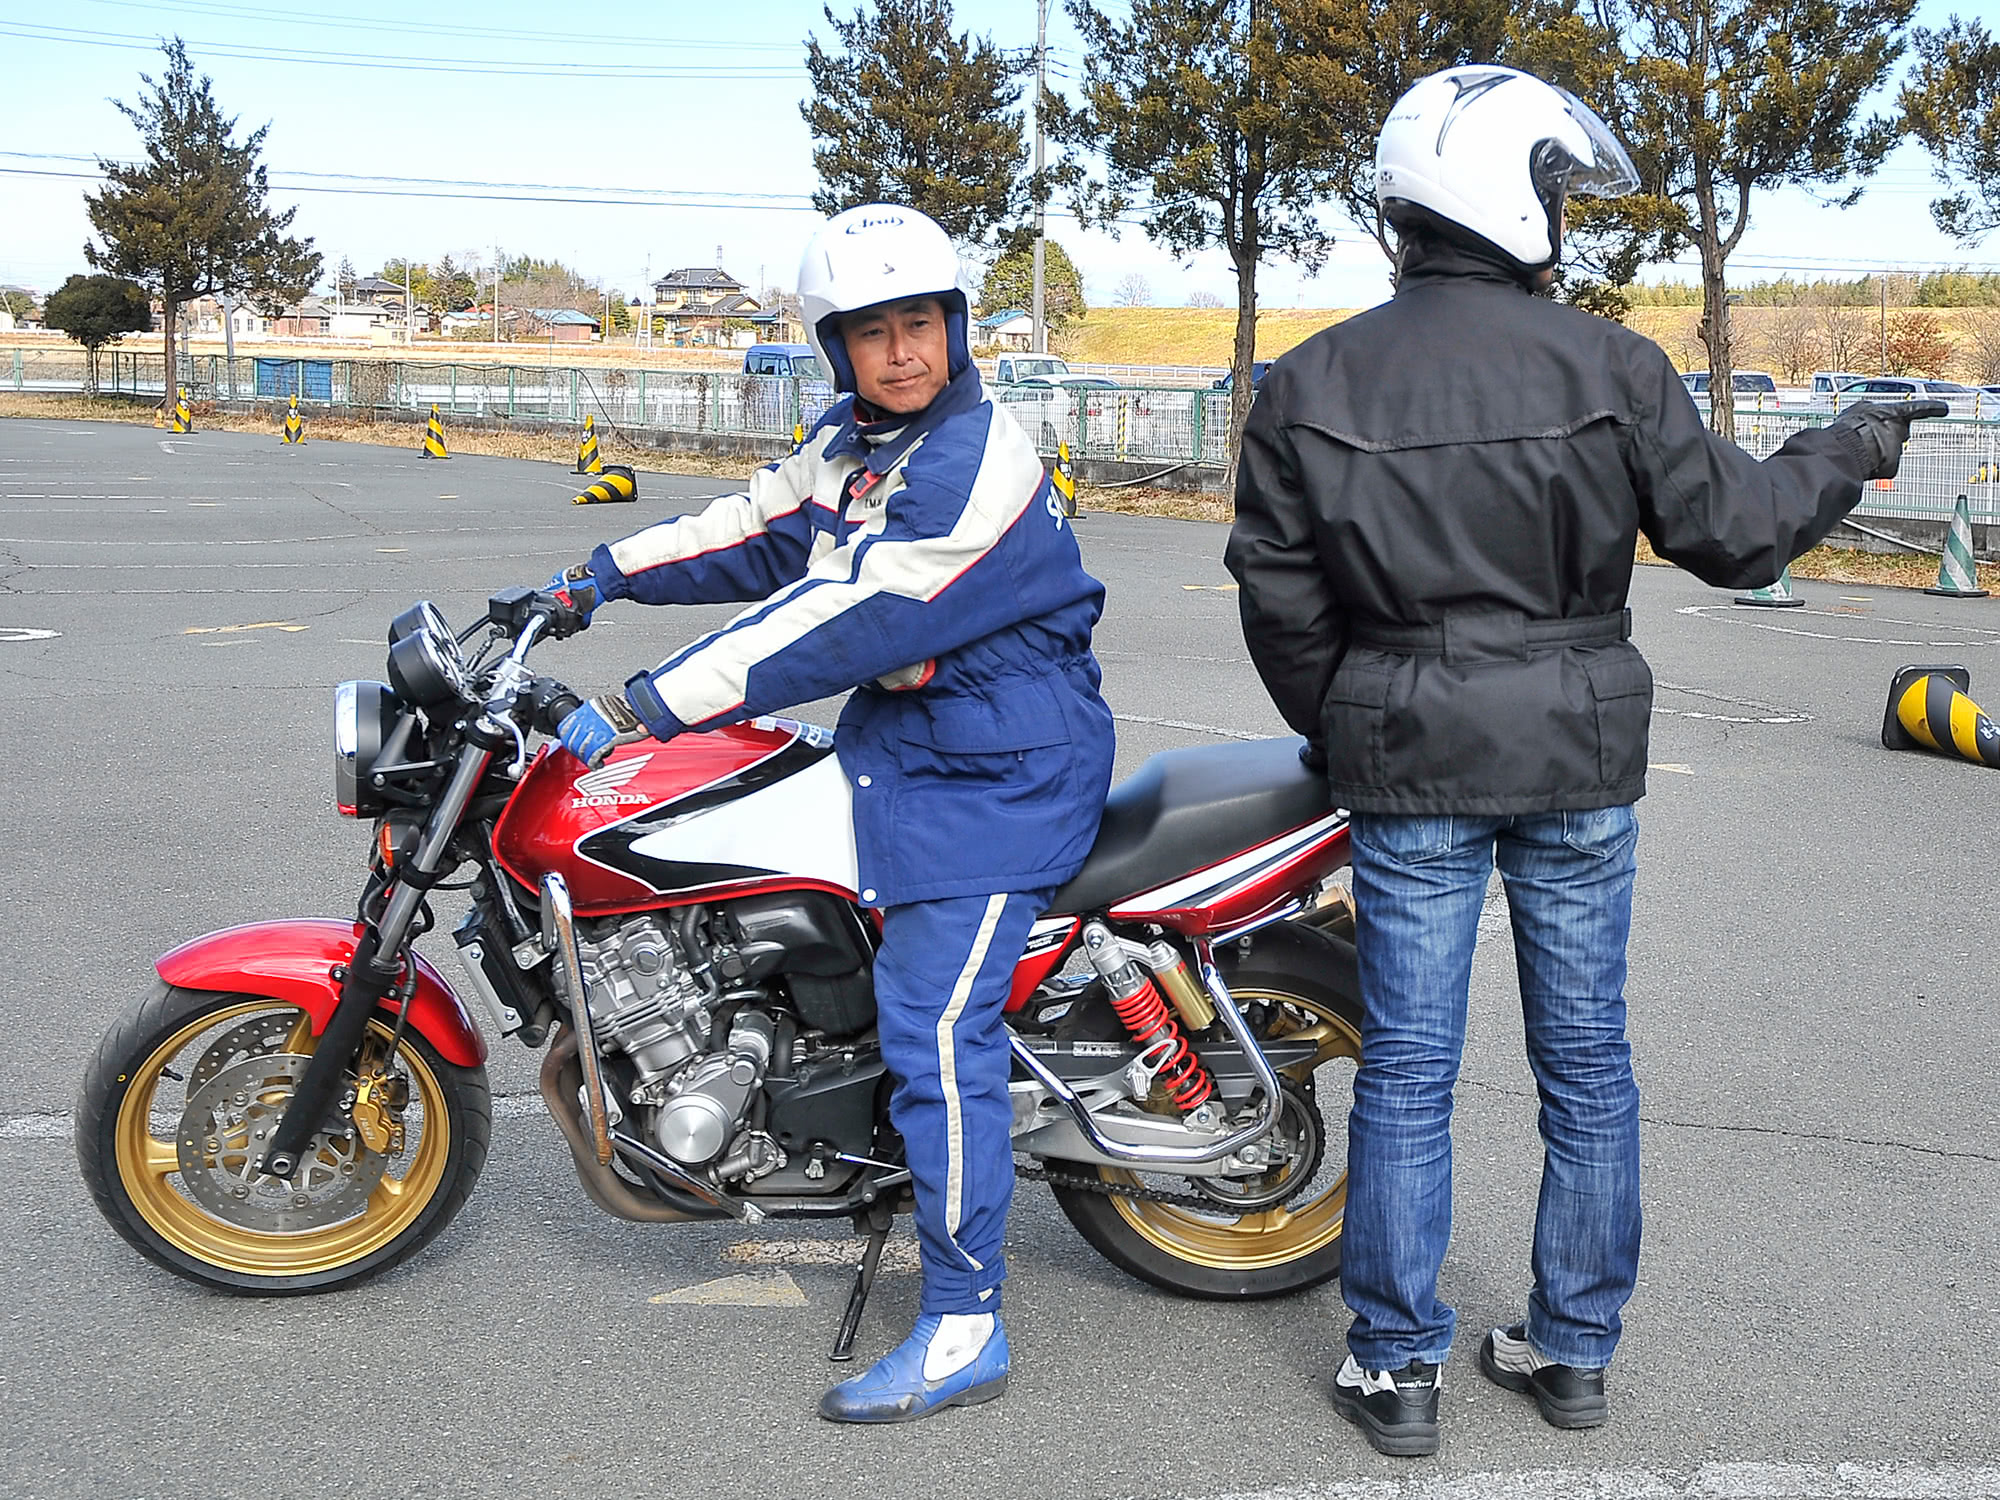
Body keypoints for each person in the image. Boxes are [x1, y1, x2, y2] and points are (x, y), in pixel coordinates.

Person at [1225, 65, 1947, 1459]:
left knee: (1412, 1073)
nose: (1562, 208)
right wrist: (1846, 446)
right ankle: (1571, 1350)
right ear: (1505, 190)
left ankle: (1396, 1367)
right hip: (1578, 751)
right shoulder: (1612, 365)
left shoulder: (1310, 379)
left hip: (1409, 760)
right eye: (1553, 183)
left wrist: (1359, 716)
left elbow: (1281, 601)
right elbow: (1739, 537)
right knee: (1590, 1067)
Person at [540, 203, 1116, 1423]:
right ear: (833, 349)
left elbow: (835, 615)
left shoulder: (969, 462)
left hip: (1000, 778)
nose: (901, 352)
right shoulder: (856, 443)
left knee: (932, 1026)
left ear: (955, 329)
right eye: (871, 333)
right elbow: (755, 530)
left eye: (920, 324)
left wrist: (646, 702)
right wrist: (592, 580)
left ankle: (965, 1321)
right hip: (912, 753)